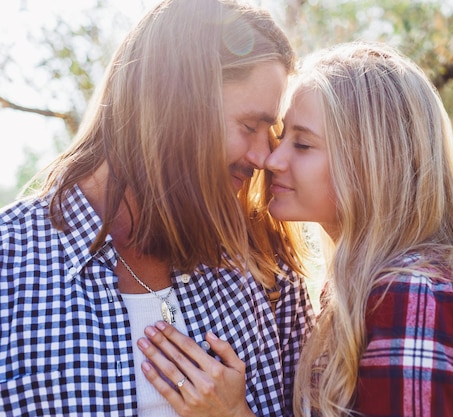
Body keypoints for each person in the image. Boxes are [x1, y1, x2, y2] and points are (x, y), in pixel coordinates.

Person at [0, 0, 314, 416]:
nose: (263, 156)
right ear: (175, 105)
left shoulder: (265, 270)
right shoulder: (9, 264)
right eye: (249, 126)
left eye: (269, 130)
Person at [263, 42, 453, 416]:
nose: (273, 159)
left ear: (373, 165)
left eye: (303, 144)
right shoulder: (362, 285)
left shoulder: (412, 296)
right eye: (281, 137)